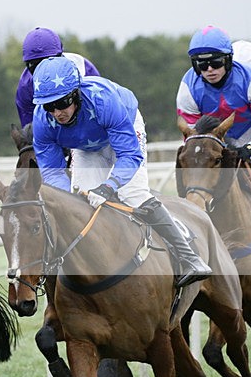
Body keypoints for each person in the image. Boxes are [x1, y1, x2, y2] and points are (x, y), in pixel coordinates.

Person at [31, 56, 212, 288]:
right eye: (50, 106)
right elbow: (53, 173)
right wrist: (69, 199)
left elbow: (129, 156)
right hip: (87, 145)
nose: (57, 113)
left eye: (63, 102)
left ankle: (189, 257)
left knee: (132, 193)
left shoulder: (103, 101)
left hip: (124, 128)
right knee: (79, 203)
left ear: (75, 94)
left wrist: (109, 186)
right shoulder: (42, 121)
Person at [176, 26, 251, 166]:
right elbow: (191, 135)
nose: (209, 69)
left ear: (228, 60)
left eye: (216, 63)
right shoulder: (187, 89)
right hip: (216, 140)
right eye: (202, 64)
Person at [15, 27, 101, 128]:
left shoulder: (85, 69)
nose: (43, 69)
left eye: (47, 60)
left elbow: (101, 111)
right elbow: (30, 128)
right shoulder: (25, 87)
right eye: (34, 64)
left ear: (61, 55)